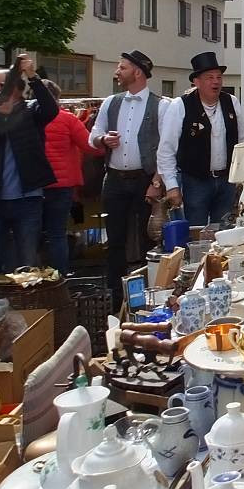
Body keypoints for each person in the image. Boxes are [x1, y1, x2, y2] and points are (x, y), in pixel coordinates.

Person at [0, 56, 58, 294]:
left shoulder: (31, 111)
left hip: (27, 201)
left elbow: (51, 109)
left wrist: (33, 76)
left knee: (26, 265)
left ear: (13, 89)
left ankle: (26, 317)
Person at [89, 50, 166, 309]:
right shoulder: (111, 102)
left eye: (122, 68)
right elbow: (94, 134)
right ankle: (116, 299)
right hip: (115, 179)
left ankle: (147, 295)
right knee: (115, 240)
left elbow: (167, 149)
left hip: (143, 179)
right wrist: (102, 140)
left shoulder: (161, 105)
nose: (116, 72)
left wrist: (156, 181)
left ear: (137, 72)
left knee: (148, 238)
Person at [157, 52, 244, 227]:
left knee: (224, 231)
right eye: (210, 77)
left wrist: (243, 176)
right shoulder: (180, 106)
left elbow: (242, 141)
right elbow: (166, 150)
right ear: (196, 82)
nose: (216, 82)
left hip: (226, 181)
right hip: (195, 182)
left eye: (219, 77)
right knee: (195, 232)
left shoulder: (232, 102)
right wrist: (172, 186)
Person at [42, 79, 103, 276]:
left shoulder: (27, 118)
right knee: (57, 233)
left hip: (33, 185)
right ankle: (59, 277)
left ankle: (33, 277)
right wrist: (108, 144)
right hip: (62, 185)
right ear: (58, 98)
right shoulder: (68, 119)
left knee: (31, 234)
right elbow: (90, 147)